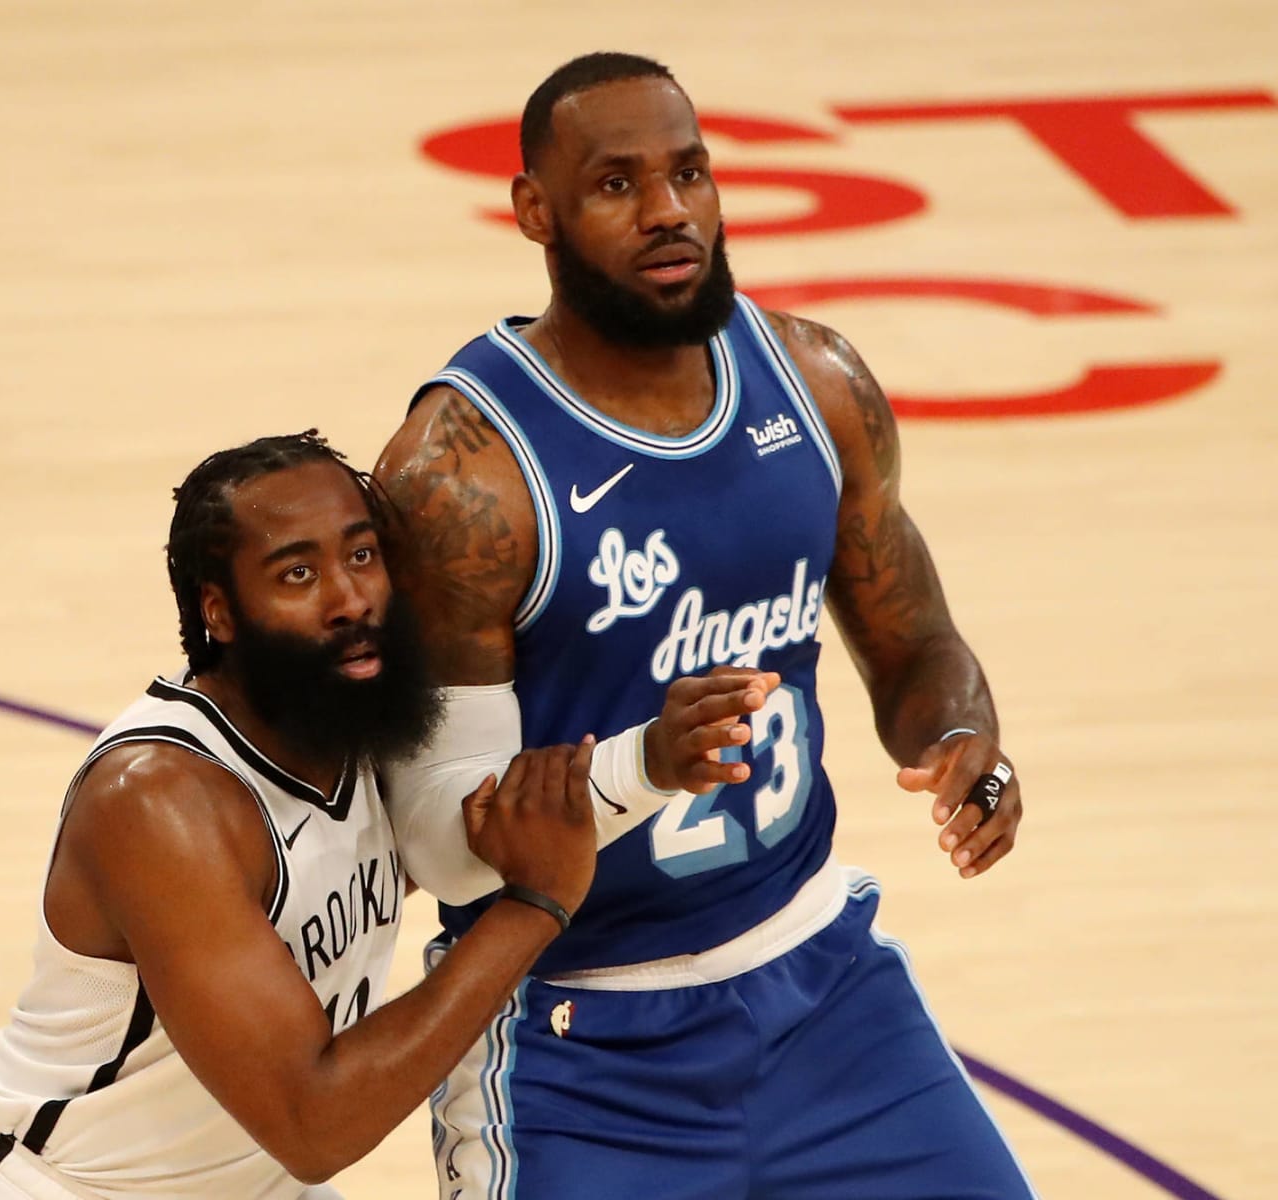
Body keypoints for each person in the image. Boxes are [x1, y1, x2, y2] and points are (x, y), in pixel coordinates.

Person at [374, 52, 1037, 1199]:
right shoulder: (463, 477)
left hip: (825, 994)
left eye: (689, 172)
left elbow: (915, 642)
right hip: (582, 1046)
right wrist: (644, 765)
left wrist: (961, 739)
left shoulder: (814, 382)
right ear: (534, 209)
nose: (669, 209)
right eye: (617, 184)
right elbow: (436, 842)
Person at [0, 432, 610, 1200]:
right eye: (298, 574)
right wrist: (533, 908)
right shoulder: (160, 801)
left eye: (361, 556)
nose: (349, 599)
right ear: (219, 613)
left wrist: (658, 763)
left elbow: (515, 822)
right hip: (61, 1187)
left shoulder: (359, 720)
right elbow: (315, 1126)